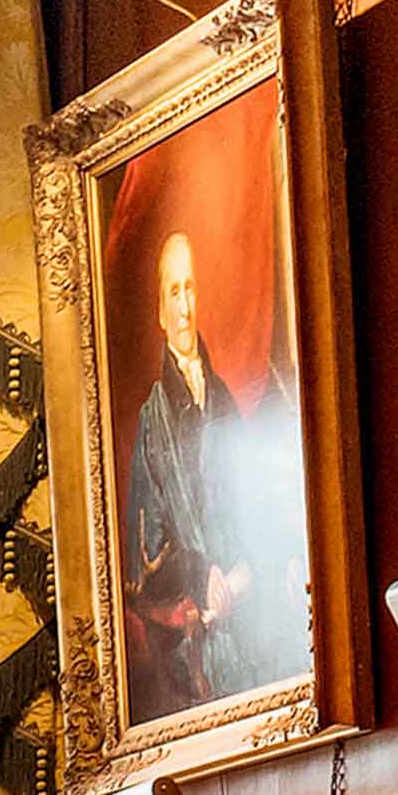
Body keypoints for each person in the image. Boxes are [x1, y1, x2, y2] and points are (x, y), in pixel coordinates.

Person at [117, 226, 309, 723]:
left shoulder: (220, 394)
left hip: (250, 615)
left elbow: (254, 504)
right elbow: (145, 554)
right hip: (198, 644)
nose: (184, 307)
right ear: (161, 312)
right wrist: (204, 577)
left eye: (190, 289)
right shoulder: (152, 422)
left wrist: (280, 558)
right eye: (174, 292)